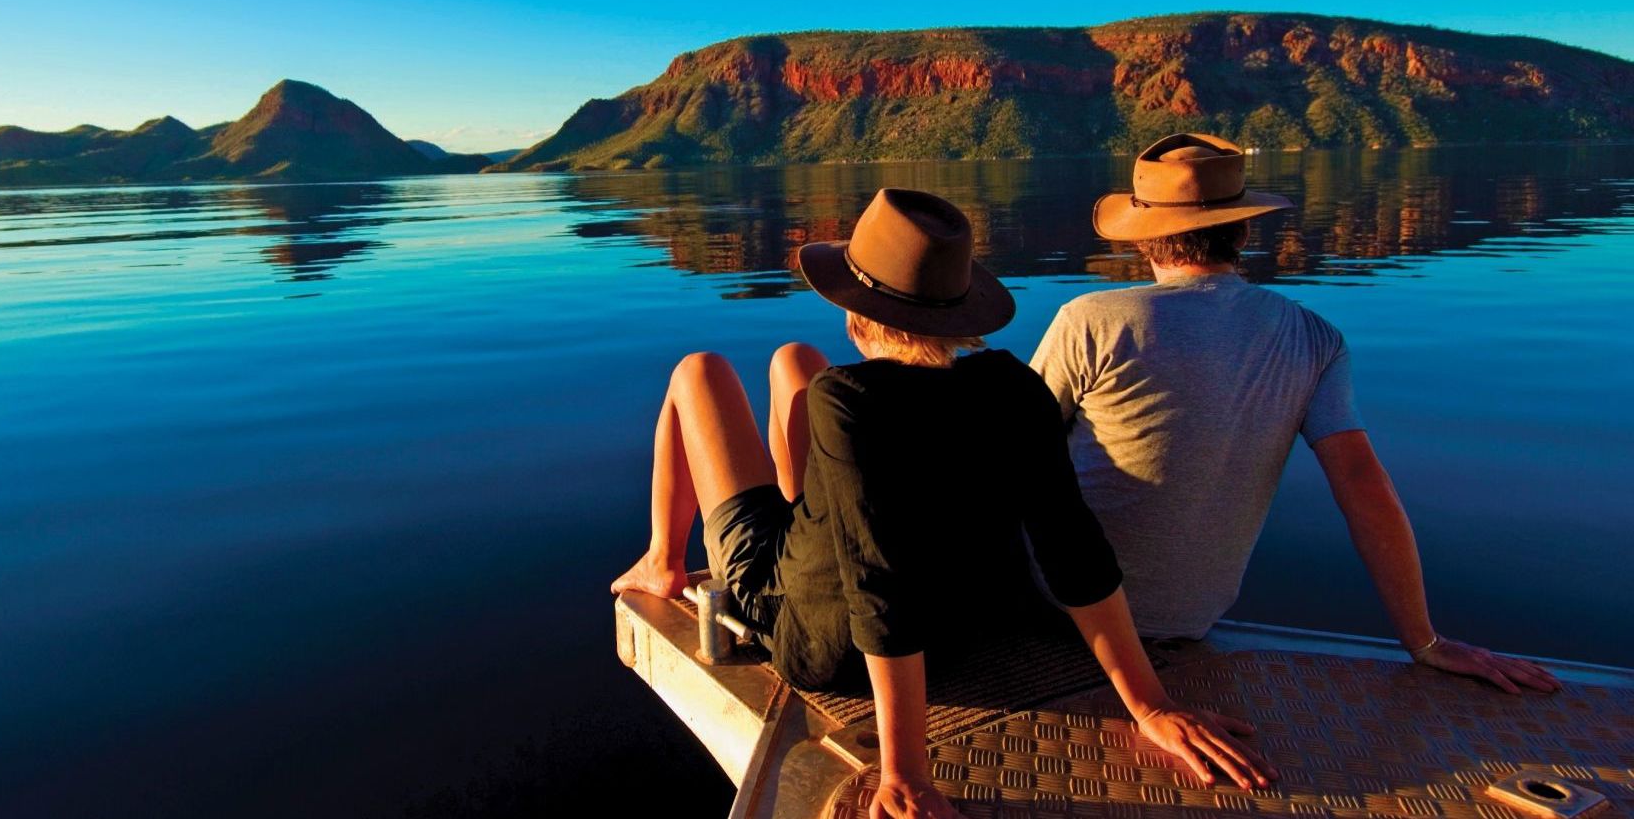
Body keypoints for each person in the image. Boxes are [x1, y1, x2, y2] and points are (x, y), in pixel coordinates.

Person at [612, 188, 1273, 819]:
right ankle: (787, 522)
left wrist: (905, 772)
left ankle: (661, 560)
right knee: (794, 360)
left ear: (854, 313)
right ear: (958, 312)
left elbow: (879, 586)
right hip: (960, 627)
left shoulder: (847, 401)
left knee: (698, 372)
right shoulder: (1014, 386)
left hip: (818, 639)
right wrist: (1149, 705)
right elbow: (1073, 547)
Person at [1029, 133, 1558, 695]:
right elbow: (1362, 485)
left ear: (1144, 239)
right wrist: (1425, 641)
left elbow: (1009, 451)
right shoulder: (1314, 337)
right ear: (1244, 229)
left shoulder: (1094, 319)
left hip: (1056, 607)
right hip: (1187, 619)